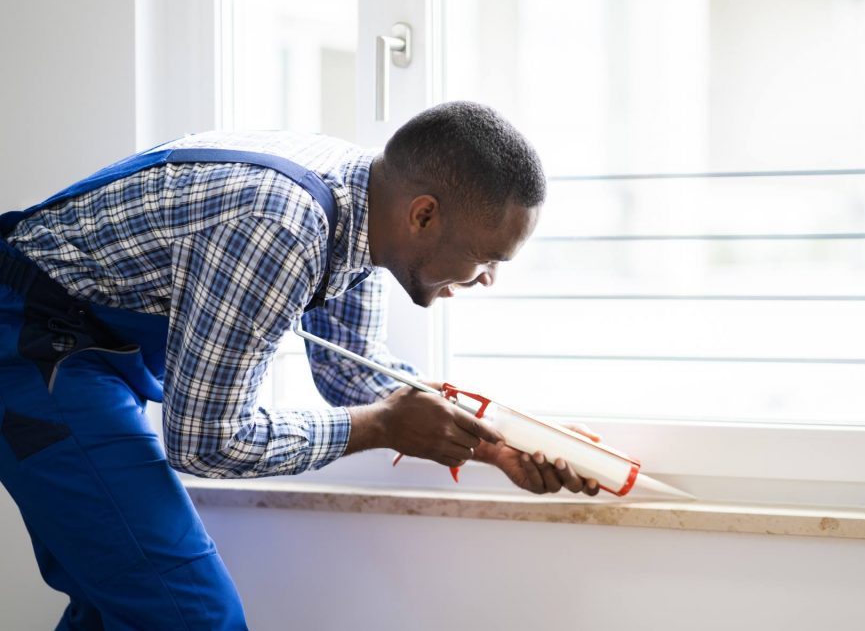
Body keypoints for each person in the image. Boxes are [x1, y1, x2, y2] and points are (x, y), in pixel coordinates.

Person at [0, 101, 599, 630]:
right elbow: (206, 442)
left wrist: (499, 442)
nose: (487, 279)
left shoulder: (368, 203)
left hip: (85, 345)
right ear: (424, 216)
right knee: (189, 616)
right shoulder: (282, 228)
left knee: (123, 603)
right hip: (27, 346)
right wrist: (382, 427)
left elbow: (356, 376)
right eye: (485, 258)